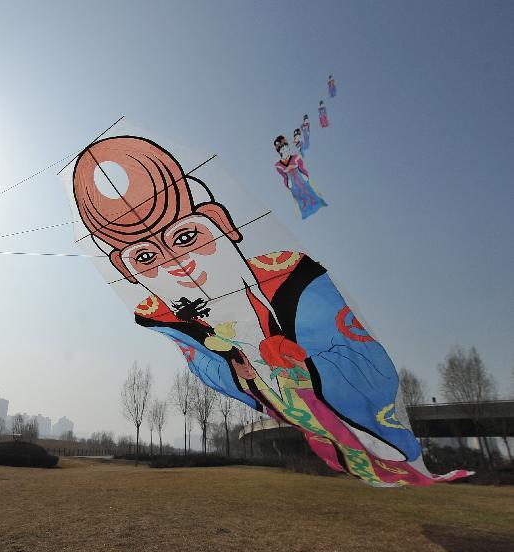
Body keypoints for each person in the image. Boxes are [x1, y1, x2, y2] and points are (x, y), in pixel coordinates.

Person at [70, 135, 469, 486]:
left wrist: (304, 363)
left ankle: (392, 462)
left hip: (324, 397)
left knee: (372, 441)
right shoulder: (166, 315)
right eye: (146, 257)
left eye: (188, 237)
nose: (177, 262)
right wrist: (240, 369)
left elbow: (350, 348)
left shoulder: (291, 281)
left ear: (219, 222)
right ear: (128, 271)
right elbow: (206, 365)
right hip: (277, 389)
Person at [273, 135, 326, 219]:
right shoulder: (278, 165)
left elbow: (302, 169)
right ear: (279, 150)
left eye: (286, 147)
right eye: (282, 148)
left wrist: (305, 175)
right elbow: (284, 176)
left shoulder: (296, 158)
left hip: (301, 180)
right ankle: (305, 210)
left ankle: (316, 203)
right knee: (300, 199)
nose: (285, 149)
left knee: (309, 194)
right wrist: (288, 183)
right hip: (293, 184)